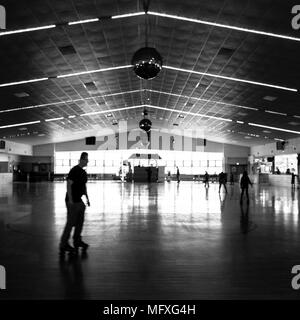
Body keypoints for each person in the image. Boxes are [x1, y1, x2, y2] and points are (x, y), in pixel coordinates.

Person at [60, 152, 90, 255]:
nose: (88, 161)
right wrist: (71, 200)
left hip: (79, 201)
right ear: (81, 160)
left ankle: (77, 241)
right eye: (86, 159)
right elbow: (69, 185)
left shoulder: (83, 172)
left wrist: (87, 198)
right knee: (70, 223)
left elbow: (84, 186)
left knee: (80, 222)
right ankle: (63, 244)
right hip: (72, 201)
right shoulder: (75, 170)